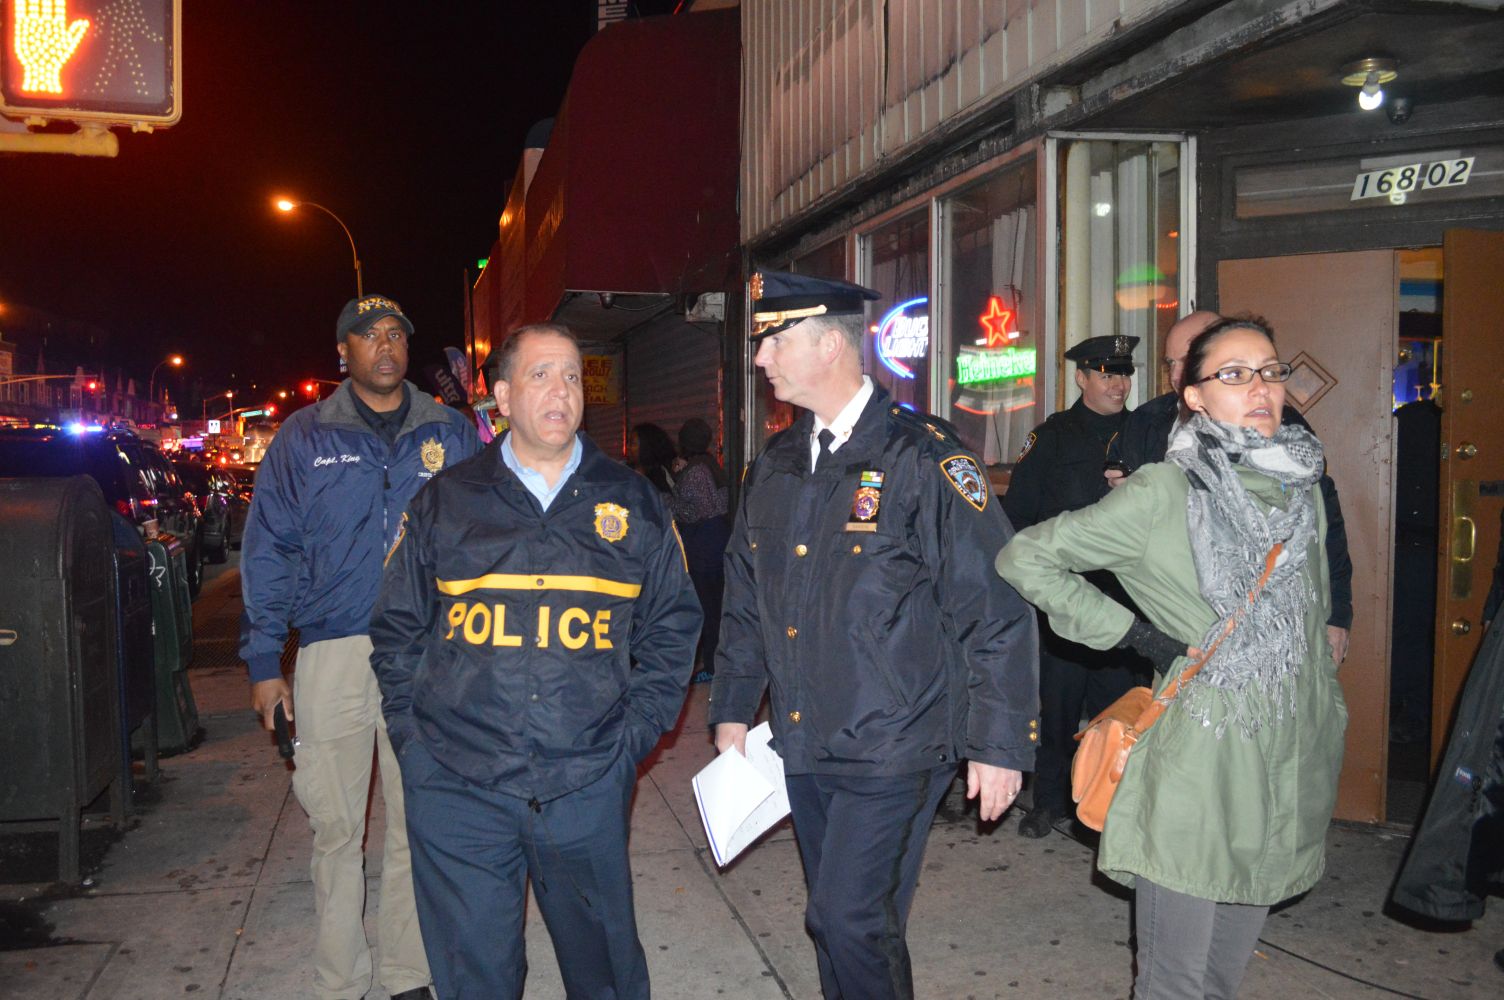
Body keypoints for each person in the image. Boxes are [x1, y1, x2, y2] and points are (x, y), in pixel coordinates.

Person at [710, 270, 1039, 1000]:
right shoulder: (776, 467)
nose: (761, 359)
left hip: (897, 741)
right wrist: (735, 704)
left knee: (847, 917)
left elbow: (996, 601)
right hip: (803, 735)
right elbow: (745, 597)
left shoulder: (923, 457)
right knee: (846, 924)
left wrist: (999, 740)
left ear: (830, 344)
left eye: (774, 341)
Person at [998, 317, 1348, 999]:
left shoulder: (1302, 490)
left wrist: (1324, 716)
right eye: (1234, 374)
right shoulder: (1164, 491)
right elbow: (1026, 556)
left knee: (1223, 977)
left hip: (1282, 761)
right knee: (1175, 984)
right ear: (1193, 396)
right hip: (1197, 761)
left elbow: (1313, 615)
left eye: (1270, 372)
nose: (1260, 388)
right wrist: (1137, 636)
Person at [369, 322, 701, 1000]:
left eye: (573, 376)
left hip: (584, 782)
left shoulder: (632, 500)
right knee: (476, 979)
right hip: (459, 784)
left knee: (604, 974)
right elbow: (397, 631)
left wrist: (631, 741)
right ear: (500, 398)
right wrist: (416, 747)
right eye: (541, 375)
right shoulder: (445, 500)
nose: (561, 391)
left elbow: (673, 627)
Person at [240, 294, 480, 1000]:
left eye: (396, 335)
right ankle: (342, 980)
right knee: (335, 829)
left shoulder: (451, 432)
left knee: (419, 825)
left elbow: (483, 537)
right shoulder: (302, 438)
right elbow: (269, 550)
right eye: (368, 335)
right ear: (342, 350)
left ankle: (409, 974)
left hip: (426, 656)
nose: (386, 346)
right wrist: (263, 664)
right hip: (332, 653)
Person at [1107, 310, 1354, 664]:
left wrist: (1337, 615)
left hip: (1264, 622)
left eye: (1188, 358)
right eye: (1170, 362)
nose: (1177, 374)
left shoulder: (1278, 429)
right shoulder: (1146, 422)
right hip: (1173, 621)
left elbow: (1322, 528)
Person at [1002, 334, 1149, 838]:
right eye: (1106, 374)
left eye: (1124, 374)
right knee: (1056, 706)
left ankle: (1111, 808)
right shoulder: (1053, 436)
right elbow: (1018, 515)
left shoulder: (1146, 435)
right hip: (1064, 597)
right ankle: (1050, 802)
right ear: (1082, 378)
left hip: (1126, 597)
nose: (1118, 384)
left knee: (1121, 706)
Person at [671, 417, 730, 683]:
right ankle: (714, 661)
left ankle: (711, 665)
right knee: (714, 605)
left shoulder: (695, 471)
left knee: (706, 607)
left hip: (703, 543)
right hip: (717, 539)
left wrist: (670, 504)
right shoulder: (710, 465)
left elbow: (697, 510)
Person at [630, 421, 677, 494]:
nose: (628, 447)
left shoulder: (658, 478)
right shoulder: (625, 470)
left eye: (633, 443)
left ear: (646, 447)